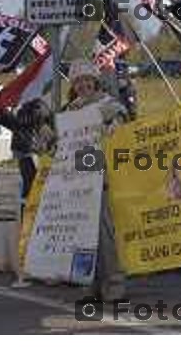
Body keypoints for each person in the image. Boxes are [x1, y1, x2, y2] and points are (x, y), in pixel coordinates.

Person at [66, 59, 129, 300]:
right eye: (78, 81)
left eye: (86, 79)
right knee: (82, 234)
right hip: (78, 178)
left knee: (104, 234)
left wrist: (113, 125)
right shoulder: (71, 109)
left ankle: (114, 284)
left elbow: (123, 123)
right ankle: (88, 284)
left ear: (95, 80)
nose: (83, 85)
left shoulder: (109, 104)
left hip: (102, 174)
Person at [0, 97, 56, 213]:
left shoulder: (35, 108)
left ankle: (29, 211)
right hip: (27, 150)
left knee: (32, 183)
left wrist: (0, 112)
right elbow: (14, 124)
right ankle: (29, 212)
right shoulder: (25, 109)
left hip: (30, 150)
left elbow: (20, 123)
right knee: (31, 183)